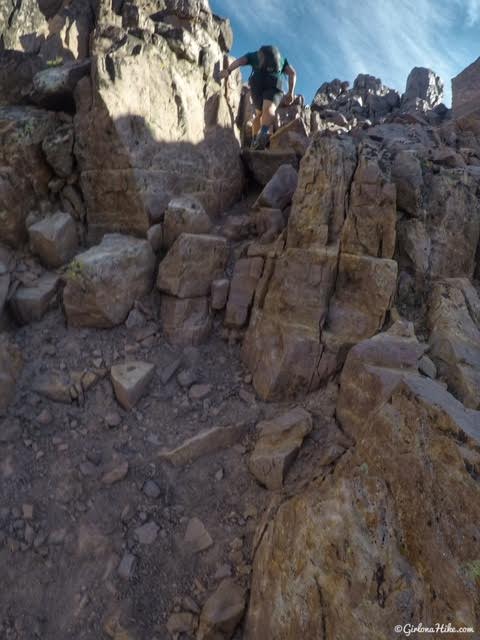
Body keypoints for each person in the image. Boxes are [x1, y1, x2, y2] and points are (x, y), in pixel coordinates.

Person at [218, 45, 296, 150]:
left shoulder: (254, 56)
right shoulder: (282, 60)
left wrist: (228, 71)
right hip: (275, 83)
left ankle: (255, 140)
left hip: (257, 83)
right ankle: (263, 132)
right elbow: (292, 73)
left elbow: (240, 61)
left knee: (259, 114)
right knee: (270, 108)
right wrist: (291, 92)